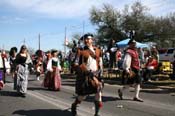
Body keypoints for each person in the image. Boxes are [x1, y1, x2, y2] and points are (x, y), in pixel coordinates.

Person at [71, 33, 103, 116]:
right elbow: (76, 64)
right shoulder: (81, 51)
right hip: (85, 76)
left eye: (88, 39)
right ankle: (74, 105)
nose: (87, 40)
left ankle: (96, 113)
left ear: (92, 40)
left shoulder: (98, 50)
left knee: (98, 94)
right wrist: (86, 71)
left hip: (96, 75)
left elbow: (100, 62)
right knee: (82, 96)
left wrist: (101, 73)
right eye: (85, 39)